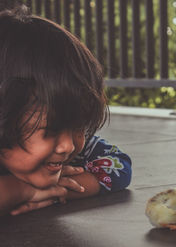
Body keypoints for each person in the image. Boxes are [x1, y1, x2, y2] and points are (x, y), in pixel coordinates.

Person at [0, 5, 132, 216]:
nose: (68, 145)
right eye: (50, 130)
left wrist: (46, 191)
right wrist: (19, 190)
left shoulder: (71, 147)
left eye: (78, 126)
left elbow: (119, 167)